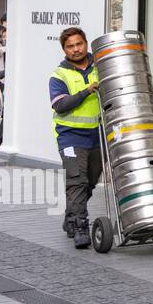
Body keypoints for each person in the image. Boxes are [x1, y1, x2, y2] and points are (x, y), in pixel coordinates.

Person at [49, 27, 102, 249]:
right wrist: (86, 91)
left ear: (86, 44)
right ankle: (80, 227)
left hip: (98, 136)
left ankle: (70, 215)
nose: (75, 49)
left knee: (89, 182)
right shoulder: (58, 76)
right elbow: (60, 105)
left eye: (79, 44)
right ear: (64, 50)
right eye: (70, 46)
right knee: (76, 181)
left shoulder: (101, 67)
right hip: (70, 137)